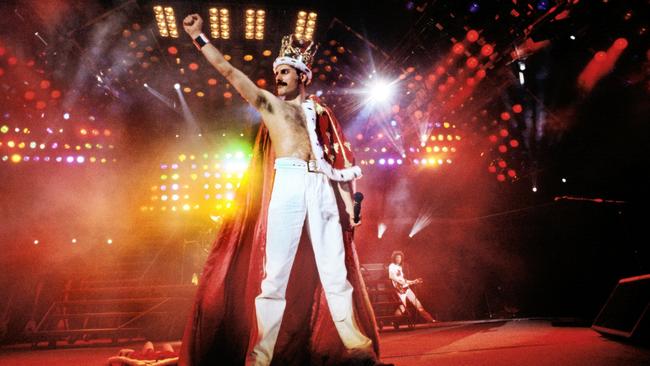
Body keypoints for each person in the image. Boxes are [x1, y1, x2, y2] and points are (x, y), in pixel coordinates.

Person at [179, 14, 386, 366]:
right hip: (288, 182)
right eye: (277, 72)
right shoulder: (268, 104)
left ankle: (356, 343)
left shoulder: (320, 112)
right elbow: (229, 72)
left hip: (320, 184)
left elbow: (338, 157)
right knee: (274, 275)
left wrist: (350, 200)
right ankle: (261, 356)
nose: (278, 76)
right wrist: (199, 38)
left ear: (302, 76)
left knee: (334, 270)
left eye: (285, 71)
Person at [388, 251, 436, 323]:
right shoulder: (392, 266)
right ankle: (394, 322)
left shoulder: (399, 267)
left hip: (405, 288)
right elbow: (391, 276)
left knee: (418, 304)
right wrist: (402, 282)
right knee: (402, 308)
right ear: (394, 258)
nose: (398, 259)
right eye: (397, 257)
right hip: (400, 290)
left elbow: (403, 280)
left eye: (400, 258)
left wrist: (414, 281)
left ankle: (431, 320)